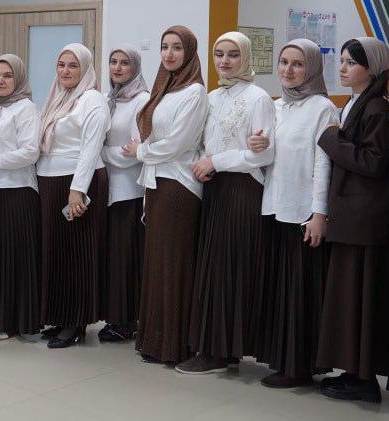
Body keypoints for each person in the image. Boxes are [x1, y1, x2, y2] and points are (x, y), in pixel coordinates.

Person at [176, 32, 276, 375]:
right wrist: (204, 164)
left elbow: (263, 155)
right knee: (213, 268)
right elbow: (206, 144)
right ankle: (219, 347)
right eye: (219, 54)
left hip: (242, 191)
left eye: (233, 54)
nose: (225, 61)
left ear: (245, 57)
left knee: (230, 270)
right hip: (215, 188)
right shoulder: (213, 97)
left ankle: (220, 350)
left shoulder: (258, 98)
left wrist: (215, 162)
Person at [252, 39, 338, 388]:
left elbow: (323, 164)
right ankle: (281, 359)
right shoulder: (276, 106)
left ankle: (300, 366)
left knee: (300, 291)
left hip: (303, 213)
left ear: (312, 68)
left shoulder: (323, 109)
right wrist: (258, 148)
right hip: (275, 206)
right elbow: (269, 161)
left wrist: (319, 214)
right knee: (279, 289)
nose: (288, 70)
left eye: (298, 64)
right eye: (284, 62)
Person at [317, 38, 389, 403]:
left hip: (363, 219)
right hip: (350, 215)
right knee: (348, 299)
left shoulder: (377, 107)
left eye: (351, 62)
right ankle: (353, 372)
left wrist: (331, 139)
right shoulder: (356, 102)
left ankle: (363, 379)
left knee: (359, 299)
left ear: (372, 68)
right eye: (343, 61)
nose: (343, 68)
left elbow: (373, 163)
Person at [128, 26, 208, 365]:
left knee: (174, 264)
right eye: (164, 47)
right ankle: (154, 341)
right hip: (158, 182)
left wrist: (141, 151)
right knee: (157, 264)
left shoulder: (194, 92)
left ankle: (175, 346)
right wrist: (146, 151)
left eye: (177, 47)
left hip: (179, 185)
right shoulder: (164, 87)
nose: (169, 54)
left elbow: (178, 143)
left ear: (189, 52)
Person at [36, 43, 110, 349]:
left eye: (73, 65)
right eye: (61, 64)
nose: (65, 71)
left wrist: (77, 190)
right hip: (51, 181)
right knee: (55, 252)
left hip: (78, 183)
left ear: (86, 69)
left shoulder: (92, 99)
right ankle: (59, 316)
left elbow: (91, 148)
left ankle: (76, 322)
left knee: (76, 254)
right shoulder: (58, 96)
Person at [0, 54, 41, 342]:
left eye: (8, 75)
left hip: (17, 192)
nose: (0, 80)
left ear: (19, 79)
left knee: (12, 261)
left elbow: (31, 152)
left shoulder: (26, 109)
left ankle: (11, 323)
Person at [99, 45, 150, 343]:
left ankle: (127, 320)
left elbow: (134, 151)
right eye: (113, 62)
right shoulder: (110, 99)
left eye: (124, 63)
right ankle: (114, 316)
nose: (117, 68)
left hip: (128, 191)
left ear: (136, 68)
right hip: (107, 189)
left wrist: (100, 152)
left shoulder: (141, 100)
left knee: (125, 259)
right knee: (112, 258)